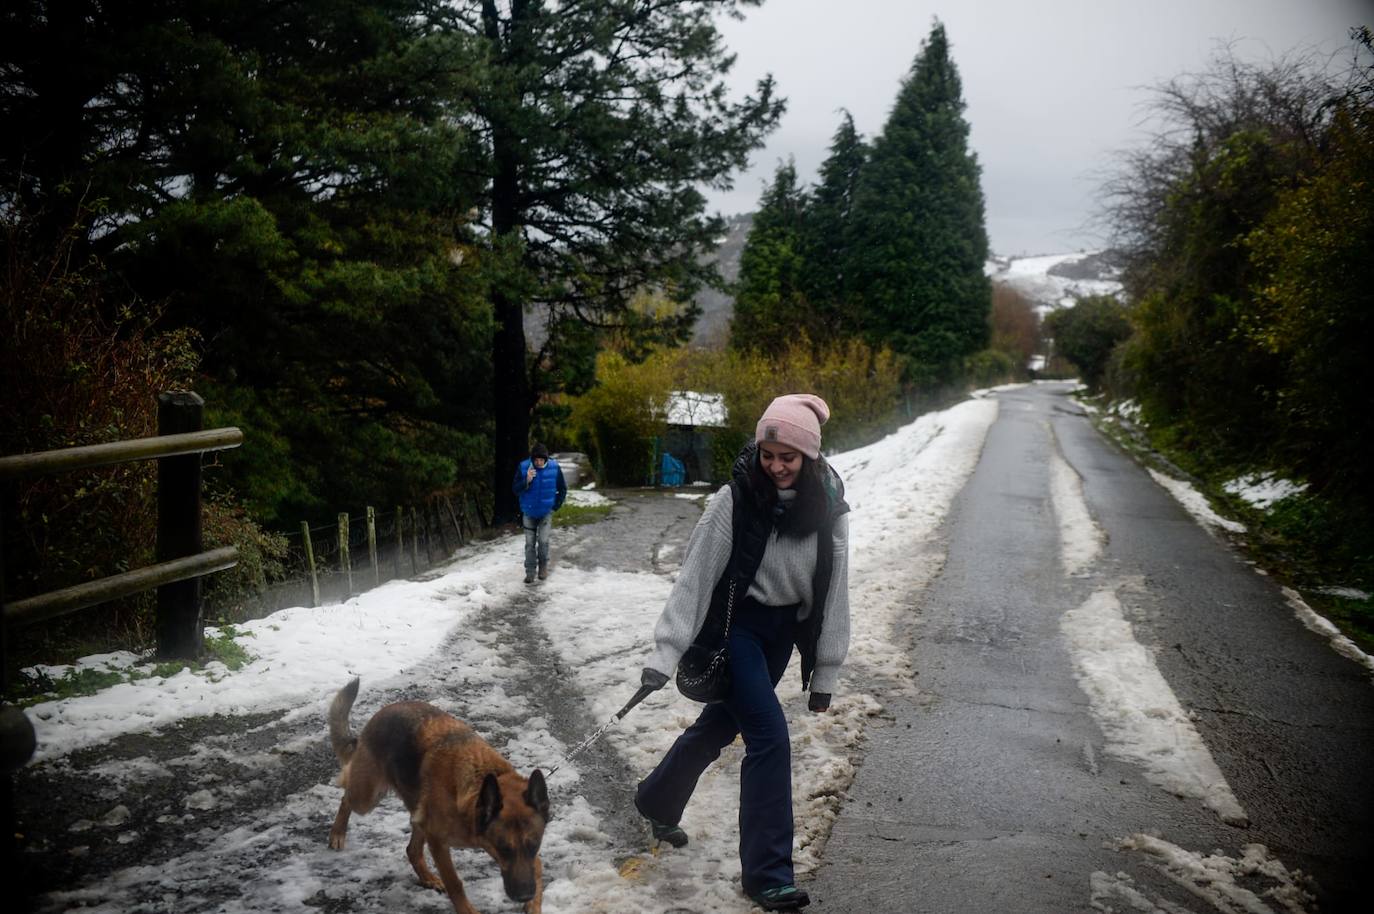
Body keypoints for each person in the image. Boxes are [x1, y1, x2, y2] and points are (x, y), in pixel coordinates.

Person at [633, 394, 850, 912]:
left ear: (810, 458)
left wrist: (826, 673)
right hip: (738, 628)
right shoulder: (733, 501)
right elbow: (695, 579)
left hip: (782, 634)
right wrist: (665, 654)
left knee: (719, 725)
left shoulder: (830, 512)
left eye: (788, 457)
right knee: (770, 738)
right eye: (767, 453)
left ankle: (656, 799)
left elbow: (836, 591)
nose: (775, 466)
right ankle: (768, 874)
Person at [512, 442, 566, 584]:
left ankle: (543, 567)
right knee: (530, 544)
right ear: (532, 459)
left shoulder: (554, 468)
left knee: (543, 541)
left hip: (546, 512)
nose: (538, 462)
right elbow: (515, 489)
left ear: (546, 459)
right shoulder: (523, 467)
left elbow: (563, 489)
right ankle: (530, 572)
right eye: (536, 460)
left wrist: (555, 506)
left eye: (541, 460)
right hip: (528, 512)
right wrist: (526, 480)